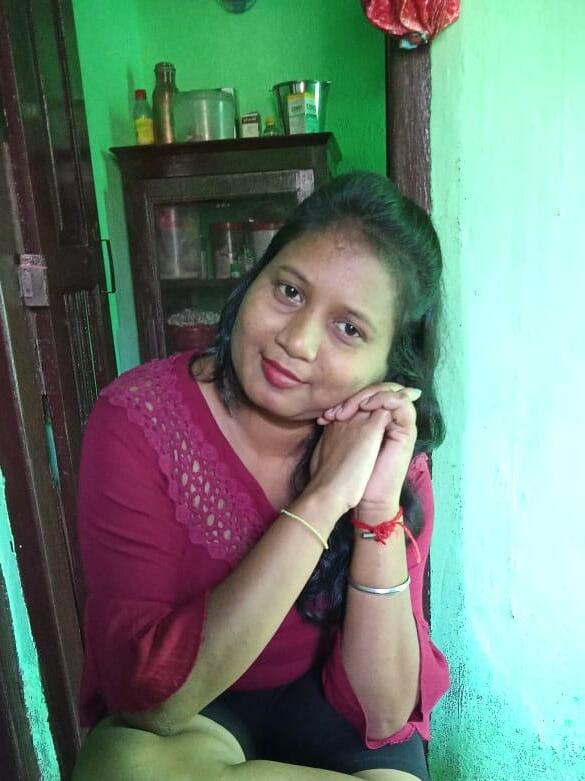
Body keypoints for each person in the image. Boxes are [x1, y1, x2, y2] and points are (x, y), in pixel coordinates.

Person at [72, 171, 450, 781]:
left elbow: (382, 713)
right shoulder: (140, 422)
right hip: (199, 706)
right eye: (290, 291)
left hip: (337, 709)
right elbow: (153, 703)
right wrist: (324, 497)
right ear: (254, 280)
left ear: (390, 366)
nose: (296, 341)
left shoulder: (394, 454)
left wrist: (375, 509)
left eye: (349, 328)